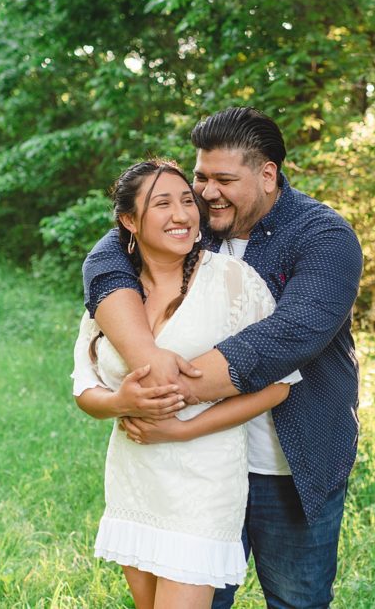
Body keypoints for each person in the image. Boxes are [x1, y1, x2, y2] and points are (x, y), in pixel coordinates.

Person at [82, 107, 363, 608]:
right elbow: (107, 257)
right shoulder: (191, 223)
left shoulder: (323, 237)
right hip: (194, 472)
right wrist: (147, 357)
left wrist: (167, 390)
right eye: (200, 177)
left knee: (298, 601)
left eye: (224, 180)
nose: (207, 193)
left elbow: (292, 334)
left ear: (268, 174)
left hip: (287, 466)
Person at [72, 159, 301, 608]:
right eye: (162, 204)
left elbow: (278, 386)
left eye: (185, 201)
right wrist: (120, 400)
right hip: (134, 481)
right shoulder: (112, 295)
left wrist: (180, 428)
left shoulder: (234, 281)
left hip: (203, 486)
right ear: (129, 221)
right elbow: (85, 391)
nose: (182, 214)